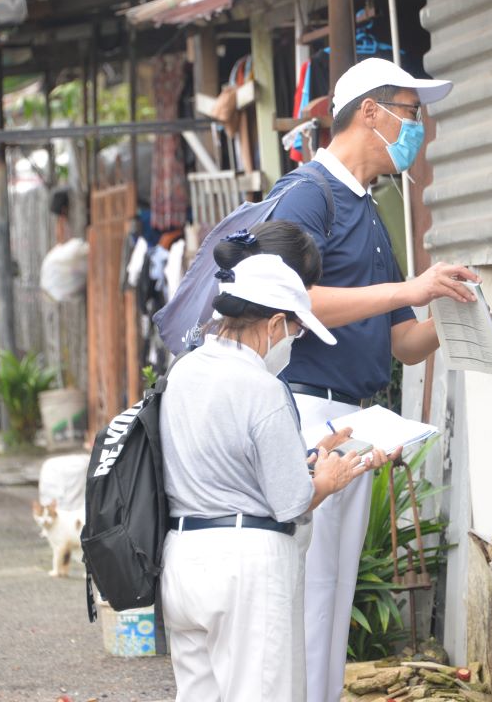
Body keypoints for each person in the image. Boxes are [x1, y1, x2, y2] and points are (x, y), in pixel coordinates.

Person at [264, 57, 480, 702]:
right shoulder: (309, 194)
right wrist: (410, 286)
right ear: (370, 113)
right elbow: (287, 300)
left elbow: (401, 344)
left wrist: (454, 310)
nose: (420, 130)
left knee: (331, 586)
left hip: (356, 420)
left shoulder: (369, 207)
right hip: (305, 417)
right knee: (306, 588)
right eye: (412, 115)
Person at [158, 253, 394, 701]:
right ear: (273, 325)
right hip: (246, 570)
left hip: (183, 561)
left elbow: (225, 463)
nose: (292, 342)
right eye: (295, 331)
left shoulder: (183, 371)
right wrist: (332, 476)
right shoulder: (263, 388)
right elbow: (291, 501)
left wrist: (312, 457)